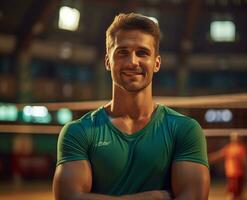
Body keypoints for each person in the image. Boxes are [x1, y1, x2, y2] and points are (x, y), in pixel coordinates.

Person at [53, 13, 210, 200]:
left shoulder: (185, 130)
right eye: (122, 52)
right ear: (107, 61)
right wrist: (152, 198)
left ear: (157, 63)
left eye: (142, 53)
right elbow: (68, 198)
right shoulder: (78, 131)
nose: (132, 62)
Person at [209, 132, 247, 200]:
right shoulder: (230, 147)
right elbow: (219, 155)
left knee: (237, 195)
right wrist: (208, 158)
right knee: (233, 194)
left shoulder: (240, 148)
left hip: (238, 174)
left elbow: (246, 161)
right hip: (233, 174)